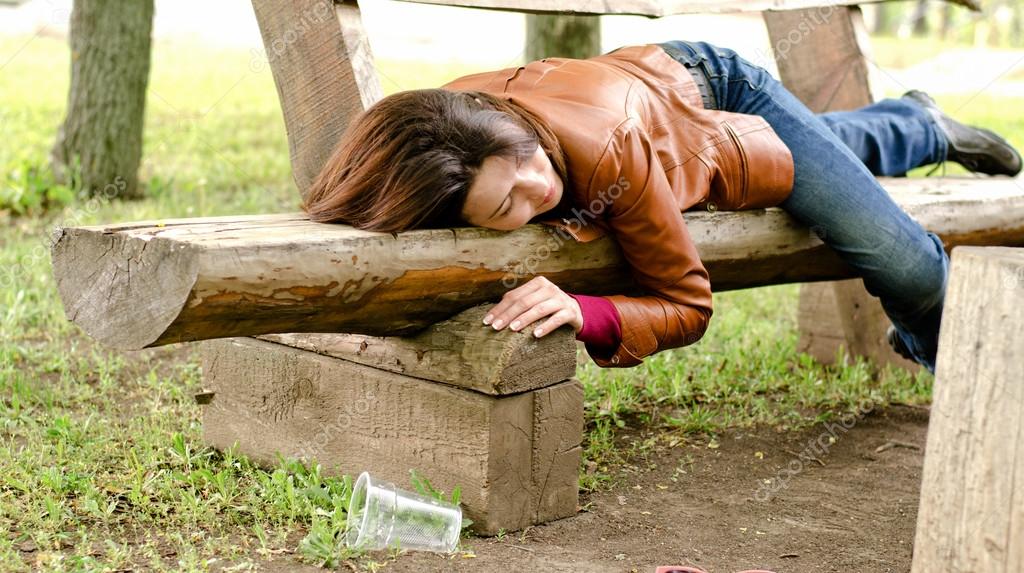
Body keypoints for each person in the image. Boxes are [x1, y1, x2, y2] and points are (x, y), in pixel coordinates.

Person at [302, 40, 1021, 375]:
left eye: (524, 158)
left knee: (912, 272)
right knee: (818, 156)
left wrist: (593, 312)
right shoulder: (450, 134)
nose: (538, 187)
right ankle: (918, 121)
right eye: (507, 206)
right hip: (661, 113)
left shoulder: (607, 154)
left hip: (715, 88)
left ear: (507, 121)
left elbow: (687, 302)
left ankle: (935, 348)